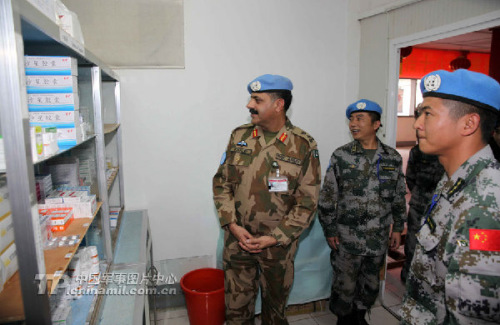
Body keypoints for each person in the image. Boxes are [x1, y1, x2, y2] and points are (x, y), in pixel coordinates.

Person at [213, 74, 321, 324]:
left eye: (257, 99)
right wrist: (232, 224)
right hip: (238, 242)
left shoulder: (303, 144)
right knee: (236, 312)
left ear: (278, 104)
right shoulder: (239, 136)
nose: (249, 105)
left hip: (278, 248)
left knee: (274, 312)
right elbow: (222, 183)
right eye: (251, 98)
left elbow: (307, 201)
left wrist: (276, 237)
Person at [399, 69, 500, 325]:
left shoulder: (486, 202)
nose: (417, 123)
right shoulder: (452, 180)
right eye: (419, 113)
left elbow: (471, 316)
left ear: (469, 124)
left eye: (428, 114)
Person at [318, 99, 406, 325]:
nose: (353, 124)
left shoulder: (392, 158)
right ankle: (344, 321)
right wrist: (329, 229)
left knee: (370, 285)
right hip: (346, 238)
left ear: (376, 124)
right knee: (344, 285)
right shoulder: (342, 156)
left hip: (377, 238)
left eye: (359, 119)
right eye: (351, 119)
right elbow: (328, 196)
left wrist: (397, 227)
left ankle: (359, 318)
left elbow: (398, 195)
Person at [400, 135, 444, 283]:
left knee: (437, 252)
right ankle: (408, 281)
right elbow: (410, 178)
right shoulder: (417, 151)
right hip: (419, 207)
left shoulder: (449, 150)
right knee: (412, 247)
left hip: (442, 210)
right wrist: (421, 196)